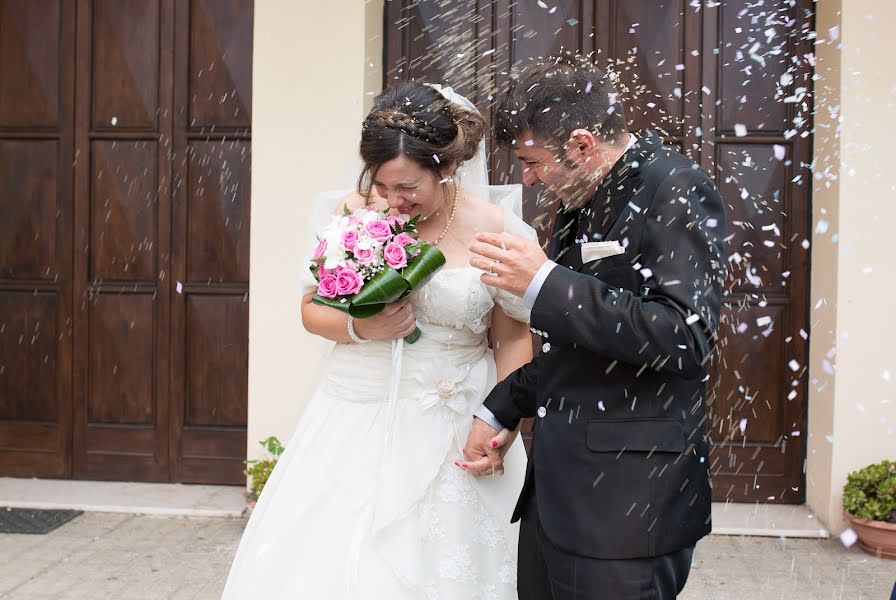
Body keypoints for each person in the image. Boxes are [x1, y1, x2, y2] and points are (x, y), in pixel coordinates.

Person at [222, 81, 535, 599]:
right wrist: (360, 327)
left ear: (448, 168)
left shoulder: (496, 230)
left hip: (458, 421)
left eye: (408, 187)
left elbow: (511, 337)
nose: (392, 202)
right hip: (357, 412)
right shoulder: (350, 216)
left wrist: (503, 419)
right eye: (382, 186)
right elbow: (310, 310)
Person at [460, 53, 727, 599]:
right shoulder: (579, 195)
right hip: (558, 495)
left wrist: (546, 282)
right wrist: (505, 405)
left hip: (627, 511)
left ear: (581, 144)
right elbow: (580, 345)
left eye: (533, 161)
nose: (528, 178)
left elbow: (686, 335)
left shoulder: (674, 186)